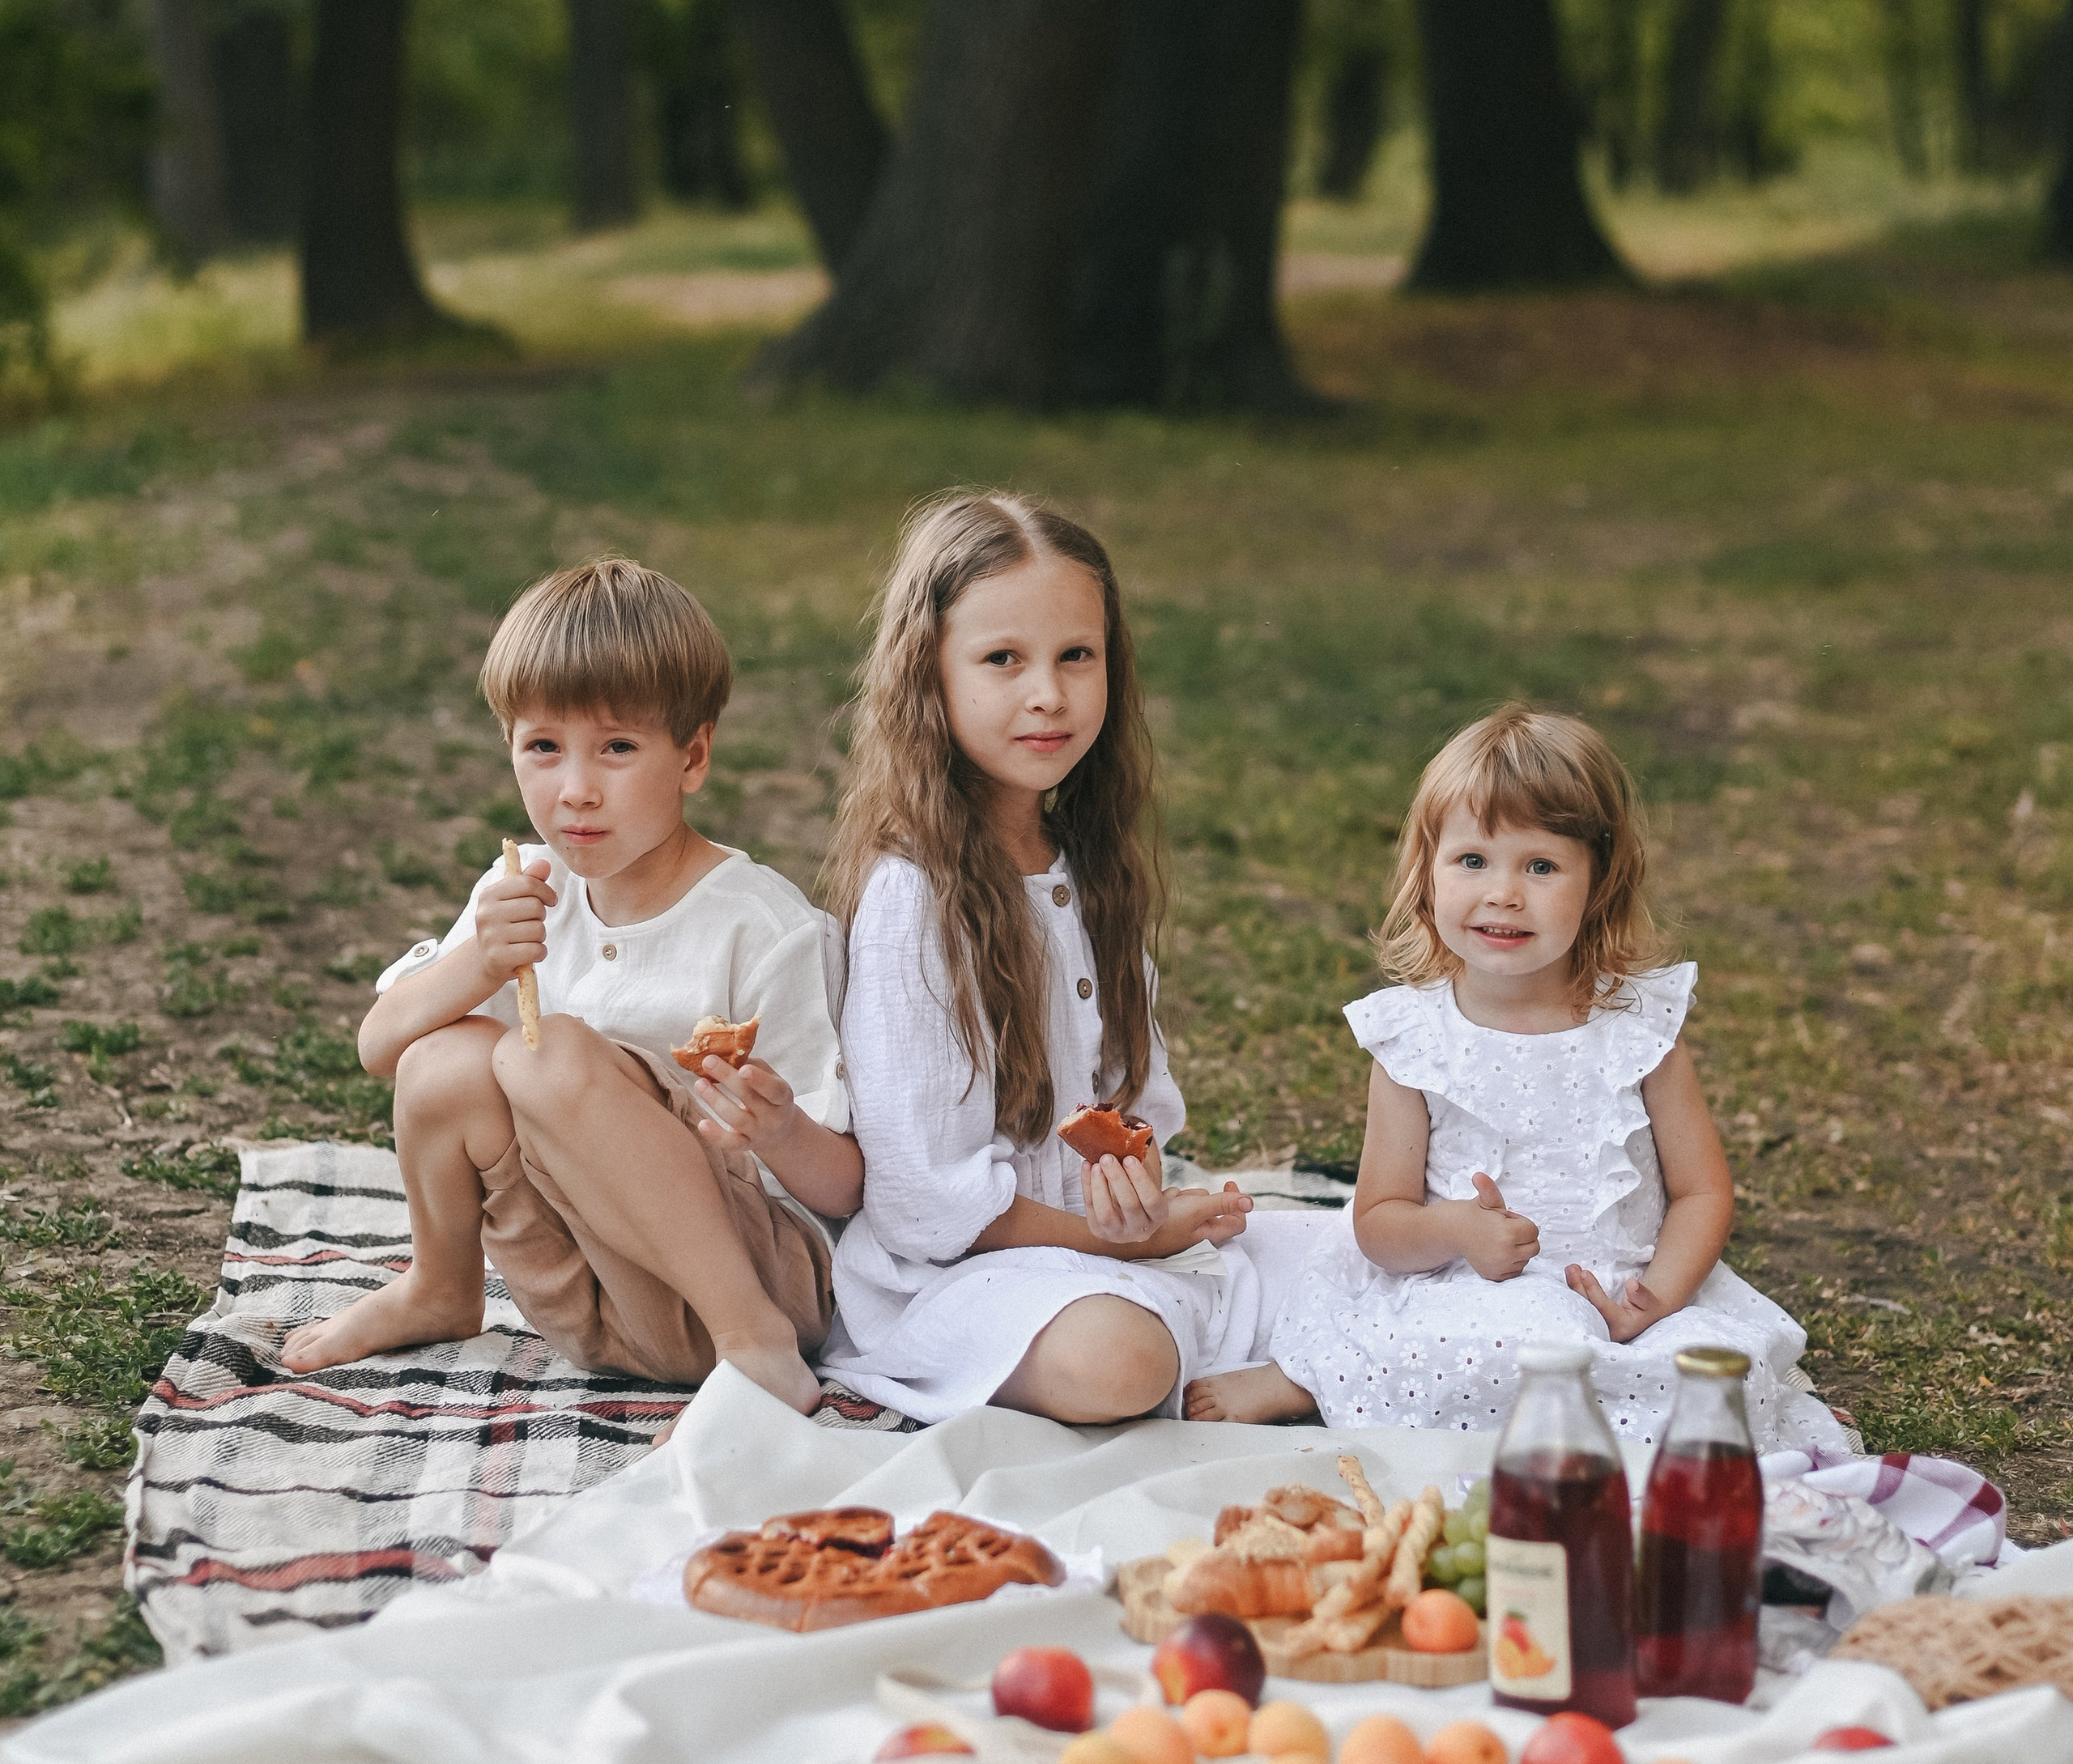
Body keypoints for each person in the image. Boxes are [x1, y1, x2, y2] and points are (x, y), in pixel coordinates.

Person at [1183, 704, 1852, 1453]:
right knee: (1518, 1342)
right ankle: (1311, 1375)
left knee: (1708, 1376)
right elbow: (1380, 1219)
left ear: (1599, 883)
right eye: (1473, 861)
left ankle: (1589, 1390)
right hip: (1472, 1290)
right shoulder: (1416, 1040)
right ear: (1426, 875)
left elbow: (1702, 1191)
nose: (1503, 893)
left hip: (1625, 1286)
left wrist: (1654, 1299)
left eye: (1540, 866)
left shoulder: (1639, 1032)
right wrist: (1458, 1230)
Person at [280, 559, 858, 1412]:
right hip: (595, 1305)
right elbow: (381, 1050)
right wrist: (474, 963)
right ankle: (440, 1287)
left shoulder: (760, 927)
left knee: (544, 1054)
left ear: (692, 755)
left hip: (763, 1285)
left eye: (617, 747)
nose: (576, 789)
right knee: (446, 1057)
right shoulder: (520, 890)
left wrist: (775, 1126)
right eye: (542, 747)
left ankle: (755, 1351)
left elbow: (846, 1188)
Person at [813, 490, 1306, 1426]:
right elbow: (925, 1205)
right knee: (1117, 1361)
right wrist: (1120, 1241)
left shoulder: (1086, 866)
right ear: (930, 676)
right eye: (1003, 659)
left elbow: (1135, 1111)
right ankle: (1234, 1354)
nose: (1048, 693)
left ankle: (1254, 1349)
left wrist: (1141, 1201)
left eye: (1075, 656)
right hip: (957, 1283)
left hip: (1103, 1253)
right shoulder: (912, 897)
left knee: (1368, 1259)